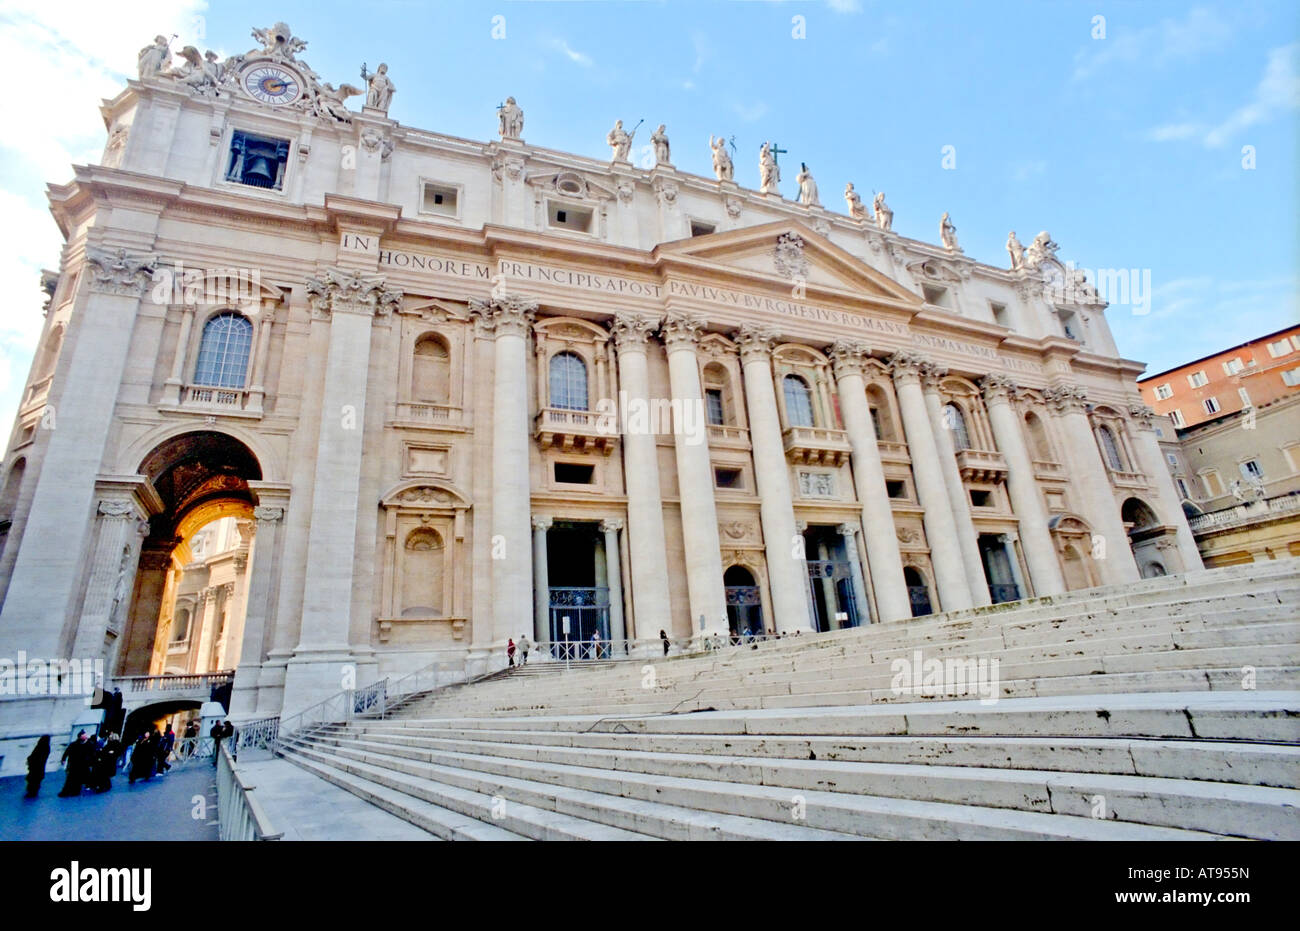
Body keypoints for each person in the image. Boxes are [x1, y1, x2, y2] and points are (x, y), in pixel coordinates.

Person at [58, 730, 93, 797]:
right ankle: (67, 791)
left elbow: (92, 754)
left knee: (77, 779)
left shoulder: (88, 744)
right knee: (71, 778)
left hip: (82, 764)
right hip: (75, 763)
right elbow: (67, 751)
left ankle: (74, 791)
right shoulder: (75, 744)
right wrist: (63, 759)